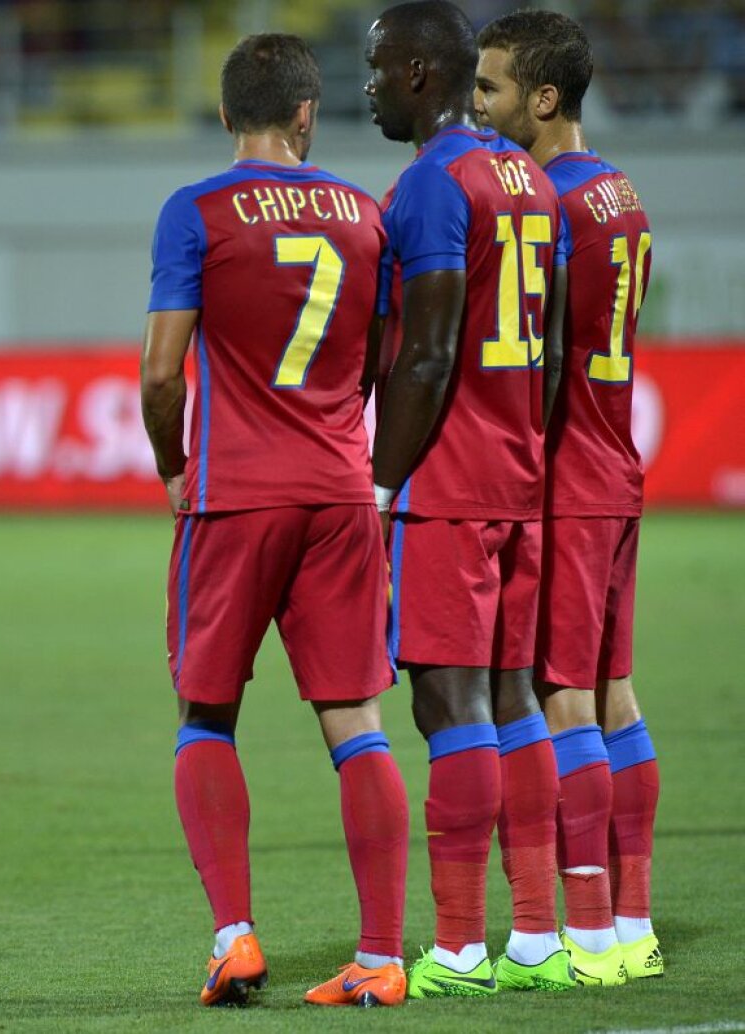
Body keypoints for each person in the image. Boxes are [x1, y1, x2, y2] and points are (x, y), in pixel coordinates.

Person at [142, 33, 409, 1009]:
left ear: (226, 115)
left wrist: (173, 467)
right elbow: (387, 360)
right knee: (358, 725)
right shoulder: (366, 215)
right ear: (307, 114)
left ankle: (236, 939)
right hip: (339, 494)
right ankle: (381, 954)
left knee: (206, 713)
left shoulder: (196, 211)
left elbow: (162, 373)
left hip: (235, 495)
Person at [363, 0, 575, 997]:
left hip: (446, 484)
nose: (368, 87)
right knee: (516, 696)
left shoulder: (430, 185)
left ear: (417, 73)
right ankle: (536, 933)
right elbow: (556, 348)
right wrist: (528, 446)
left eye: (375, 68)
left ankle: (457, 946)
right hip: (520, 473)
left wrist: (379, 484)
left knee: (448, 703)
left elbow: (428, 352)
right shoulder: (531, 177)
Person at [475, 9, 661, 987]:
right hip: (618, 465)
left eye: (492, 88)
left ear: (543, 99)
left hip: (567, 478)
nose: (479, 106)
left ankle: (584, 932)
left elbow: (539, 360)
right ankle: (632, 924)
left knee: (562, 697)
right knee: (616, 694)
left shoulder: (547, 202)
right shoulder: (620, 190)